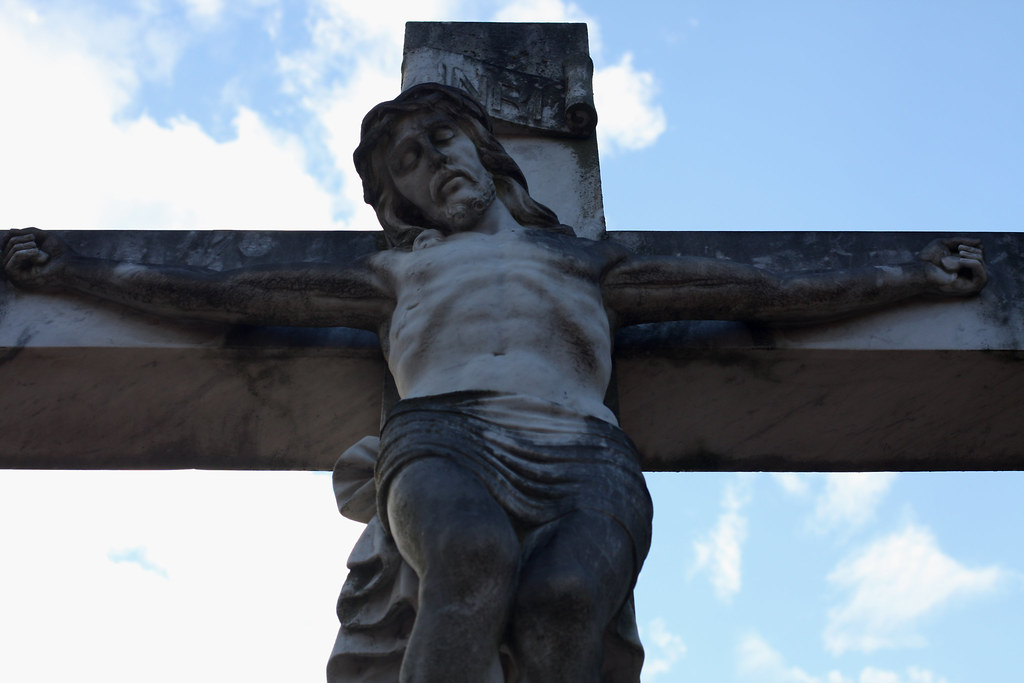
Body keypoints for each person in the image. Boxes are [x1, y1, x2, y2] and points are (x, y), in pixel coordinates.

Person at [2, 84, 986, 683]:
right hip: (447, 435)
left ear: (484, 149)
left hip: (586, 455)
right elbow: (229, 297)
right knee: (468, 555)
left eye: (440, 142)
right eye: (407, 165)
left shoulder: (587, 264)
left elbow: (763, 294)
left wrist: (910, 277)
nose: (432, 166)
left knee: (565, 602)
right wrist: (77, 274)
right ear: (398, 200)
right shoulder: (398, 274)